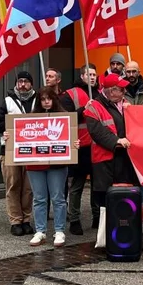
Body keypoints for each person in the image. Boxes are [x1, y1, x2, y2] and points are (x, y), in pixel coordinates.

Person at [86, 74, 143, 239]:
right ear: (110, 90)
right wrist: (116, 141)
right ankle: (106, 236)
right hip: (105, 160)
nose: (124, 91)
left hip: (124, 158)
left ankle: (125, 231)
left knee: (124, 195)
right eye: (120, 89)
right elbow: (97, 132)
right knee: (105, 199)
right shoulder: (94, 106)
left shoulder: (125, 104)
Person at [25, 87, 78, 247]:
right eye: (43, 99)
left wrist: (75, 144)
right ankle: (40, 231)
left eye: (49, 98)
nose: (46, 101)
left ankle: (59, 230)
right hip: (35, 164)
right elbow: (19, 135)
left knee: (58, 198)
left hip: (57, 164)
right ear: (39, 101)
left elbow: (71, 138)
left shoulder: (65, 117)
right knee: (39, 198)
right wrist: (9, 136)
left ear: (54, 99)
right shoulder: (29, 119)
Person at [0, 72, 37, 237]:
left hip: (32, 151)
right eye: (20, 81)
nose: (23, 84)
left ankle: (26, 219)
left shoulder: (38, 100)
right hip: (10, 150)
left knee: (28, 188)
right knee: (13, 186)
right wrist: (12, 124)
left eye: (26, 81)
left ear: (31, 84)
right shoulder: (7, 100)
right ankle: (15, 221)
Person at [60, 64, 100, 233]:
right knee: (77, 185)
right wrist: (84, 109)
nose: (92, 77)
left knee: (98, 184)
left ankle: (97, 217)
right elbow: (65, 118)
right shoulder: (70, 94)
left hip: (98, 145)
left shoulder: (101, 94)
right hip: (80, 145)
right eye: (88, 74)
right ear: (82, 76)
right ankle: (74, 219)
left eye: (94, 75)